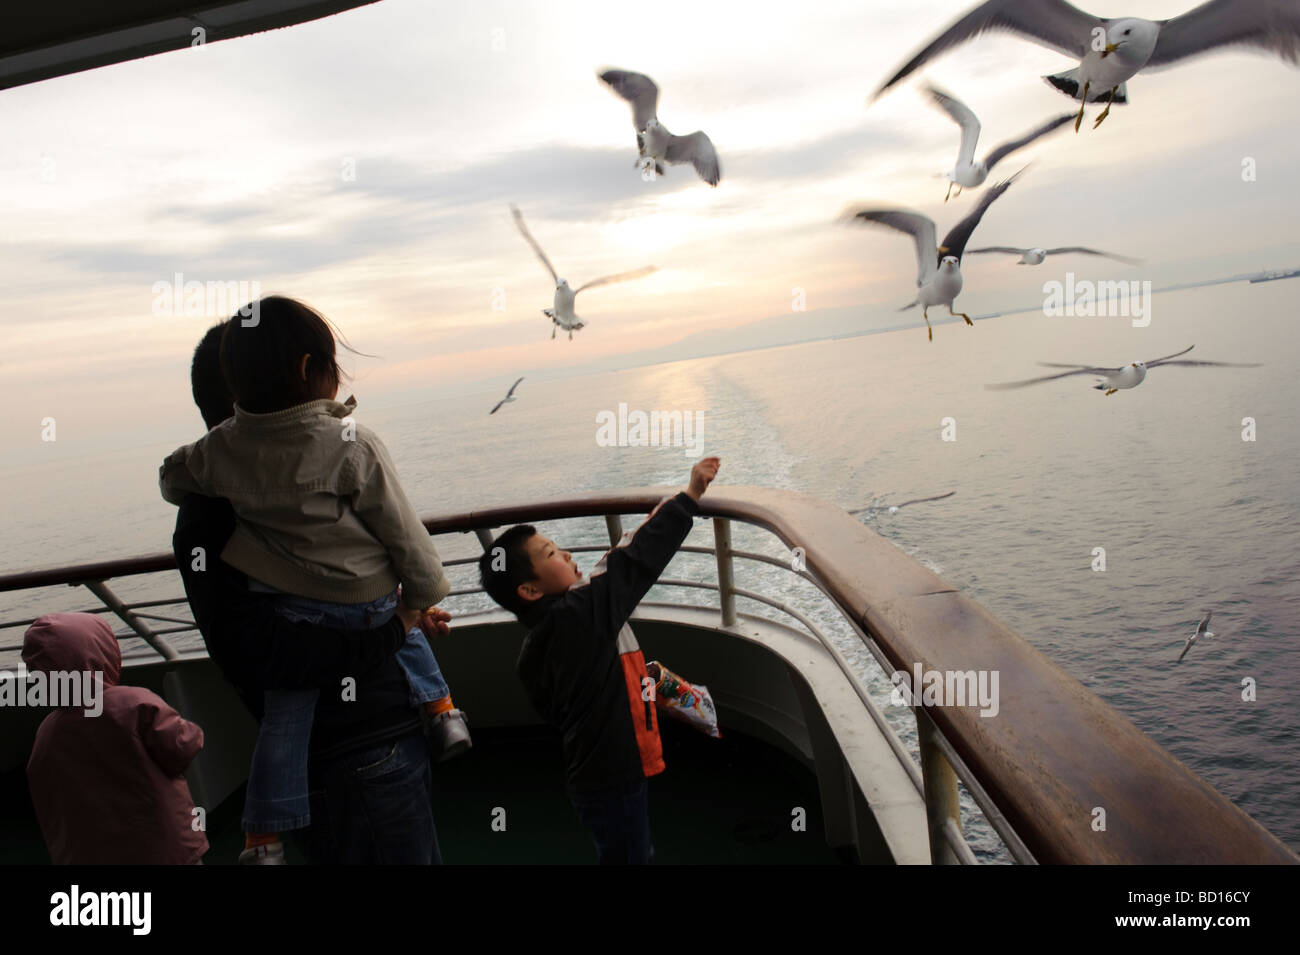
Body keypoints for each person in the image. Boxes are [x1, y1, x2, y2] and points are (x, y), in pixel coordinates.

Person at [160, 299, 465, 864]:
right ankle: (441, 712)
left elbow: (171, 474)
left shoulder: (216, 478)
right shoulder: (214, 516)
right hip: (358, 754)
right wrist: (398, 624)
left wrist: (406, 618)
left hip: (364, 741)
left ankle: (264, 835)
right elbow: (269, 658)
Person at [478, 456, 720, 863]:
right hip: (614, 776)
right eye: (552, 552)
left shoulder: (536, 646)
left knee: (626, 850)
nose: (569, 554)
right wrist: (689, 495)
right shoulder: (580, 616)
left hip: (591, 777)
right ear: (531, 591)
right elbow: (634, 559)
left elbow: (560, 703)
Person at [24, 612, 208, 865]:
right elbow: (181, 747)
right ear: (101, 654)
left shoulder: (46, 733)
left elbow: (47, 794)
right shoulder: (133, 703)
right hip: (165, 849)